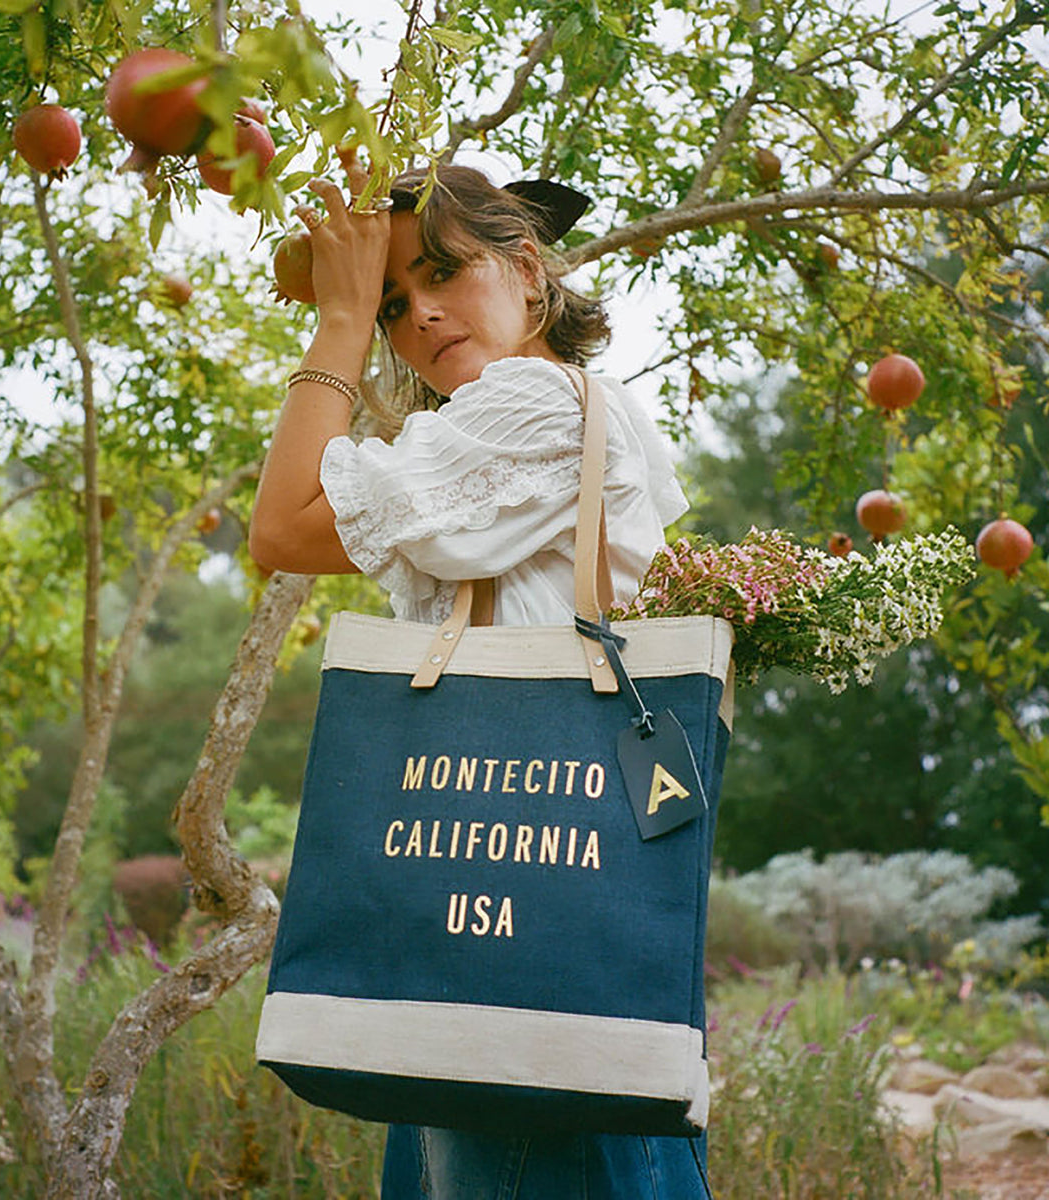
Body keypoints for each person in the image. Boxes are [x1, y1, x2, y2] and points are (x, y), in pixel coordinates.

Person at [248, 156, 708, 1199]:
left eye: (447, 273)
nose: (421, 317)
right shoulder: (525, 420)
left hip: (509, 932)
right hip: (539, 908)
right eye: (395, 305)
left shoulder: (537, 402)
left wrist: (337, 321)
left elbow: (279, 528)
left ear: (529, 267)